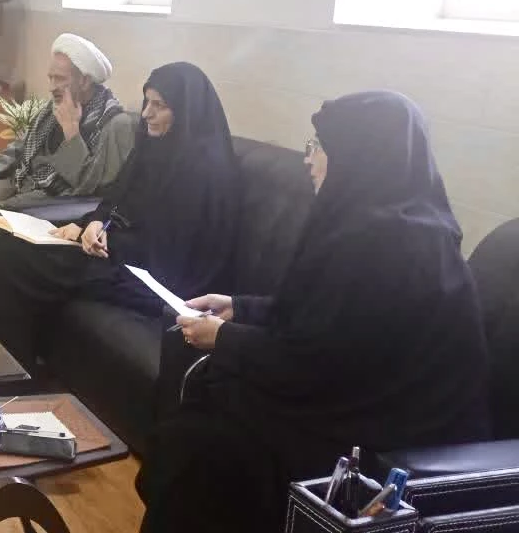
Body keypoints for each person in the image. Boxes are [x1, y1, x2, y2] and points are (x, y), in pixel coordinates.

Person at [138, 91, 492, 532]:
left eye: (320, 147)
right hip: (348, 394)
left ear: (360, 156)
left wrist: (224, 337)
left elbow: (321, 358)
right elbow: (326, 316)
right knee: (202, 411)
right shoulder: (383, 222)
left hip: (385, 429)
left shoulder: (390, 243)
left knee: (199, 447)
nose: (309, 159)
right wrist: (238, 307)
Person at [0, 62, 241, 369]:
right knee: (10, 246)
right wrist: (94, 223)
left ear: (186, 111)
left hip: (161, 279)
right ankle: (5, 364)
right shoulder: (155, 146)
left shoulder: (205, 169)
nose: (146, 114)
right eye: (147, 102)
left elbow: (168, 249)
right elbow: (117, 196)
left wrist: (104, 239)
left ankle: (7, 372)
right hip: (125, 255)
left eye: (159, 106)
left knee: (17, 259)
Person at [0, 33, 137, 296]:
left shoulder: (116, 124)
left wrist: (71, 131)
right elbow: (21, 145)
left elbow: (94, 187)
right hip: (21, 187)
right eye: (51, 77)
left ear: (85, 80)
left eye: (60, 79)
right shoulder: (54, 107)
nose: (52, 86)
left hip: (54, 201)